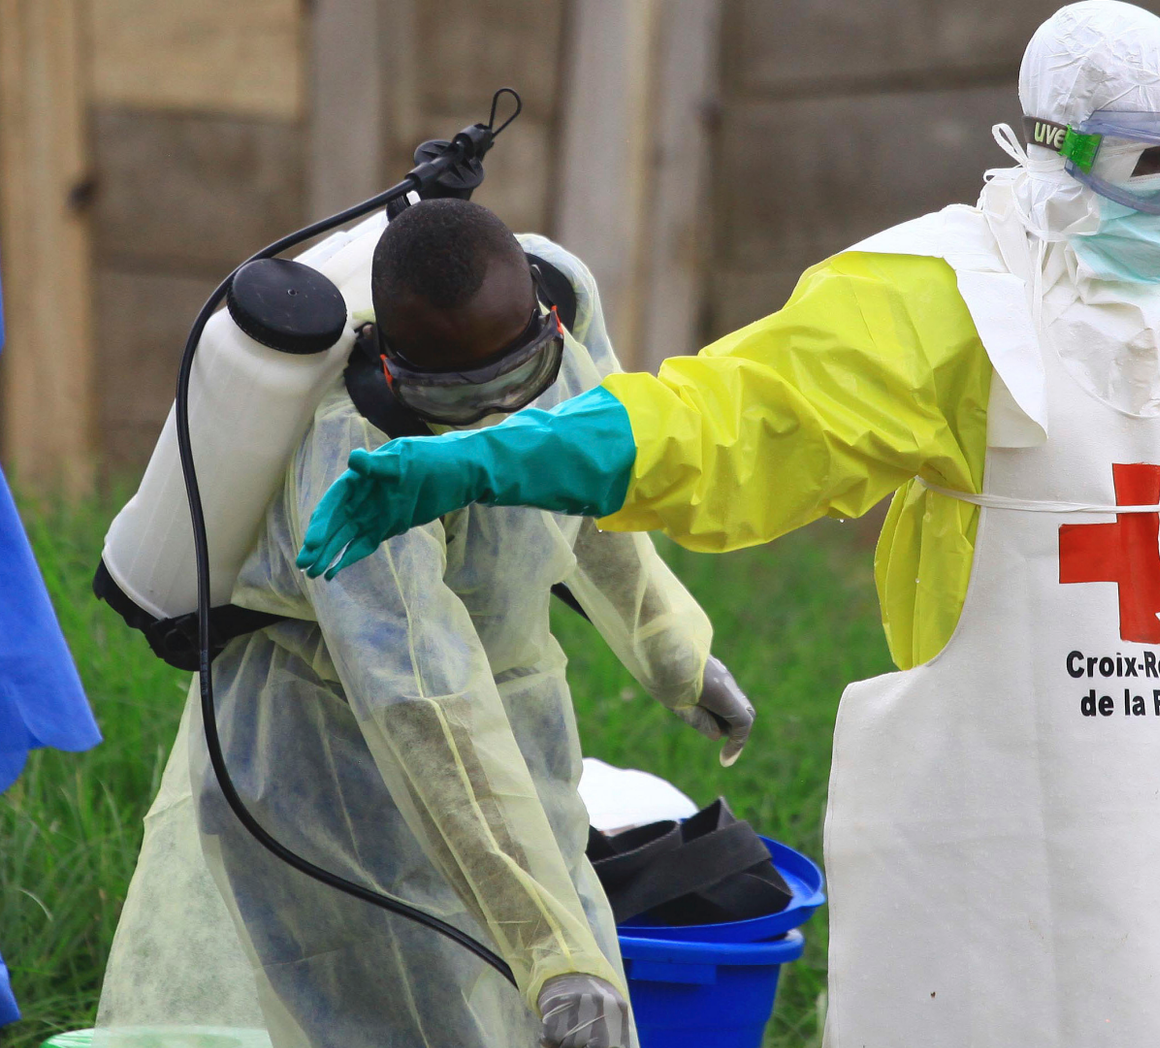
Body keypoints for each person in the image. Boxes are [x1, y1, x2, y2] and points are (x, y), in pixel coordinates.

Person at [296, 4, 1160, 1045]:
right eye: (1150, 164)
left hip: (1157, 803)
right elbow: (721, 416)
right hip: (985, 797)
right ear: (1054, 147)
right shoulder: (938, 300)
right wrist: (481, 462)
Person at [96, 199, 755, 1048]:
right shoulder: (358, 463)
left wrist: (675, 652)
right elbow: (422, 703)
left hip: (512, 714)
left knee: (565, 986)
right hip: (331, 772)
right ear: (393, 367)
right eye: (460, 397)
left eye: (518, 381)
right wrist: (555, 955)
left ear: (543, 314)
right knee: (411, 1024)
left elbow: (584, 472)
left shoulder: (562, 293)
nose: (495, 420)